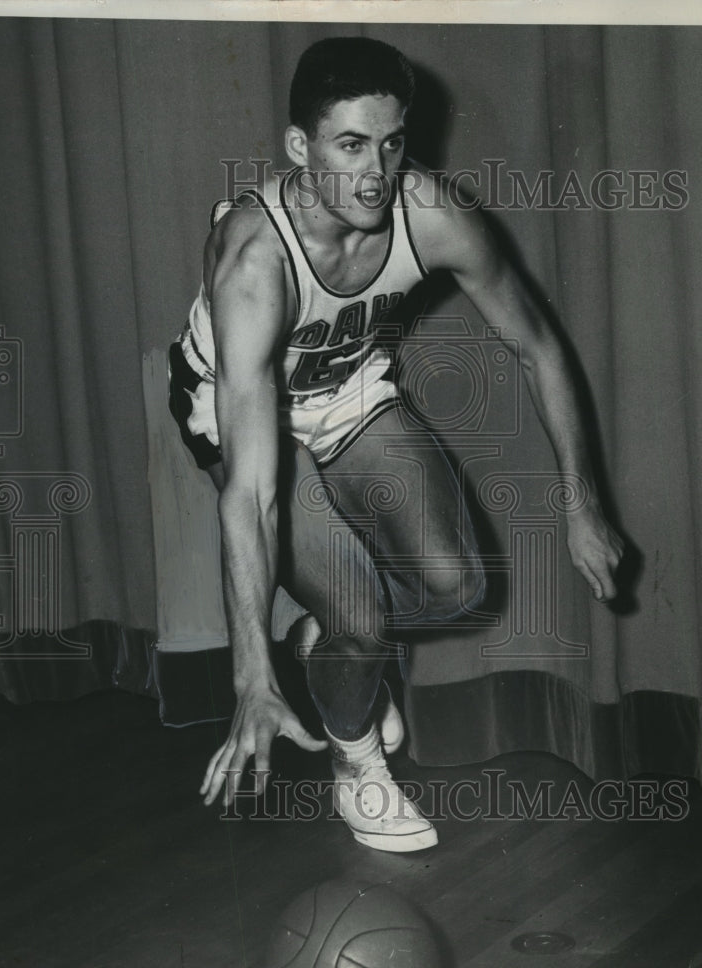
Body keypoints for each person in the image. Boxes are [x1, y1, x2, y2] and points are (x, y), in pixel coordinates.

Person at [168, 36, 624, 853]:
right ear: (299, 148)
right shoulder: (254, 258)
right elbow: (251, 490)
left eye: (391, 142)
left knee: (455, 588)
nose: (376, 172)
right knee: (362, 609)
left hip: (350, 394)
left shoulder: (433, 217)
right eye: (350, 146)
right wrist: (251, 677)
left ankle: (334, 644)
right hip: (241, 411)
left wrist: (582, 504)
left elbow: (539, 346)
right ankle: (356, 764)